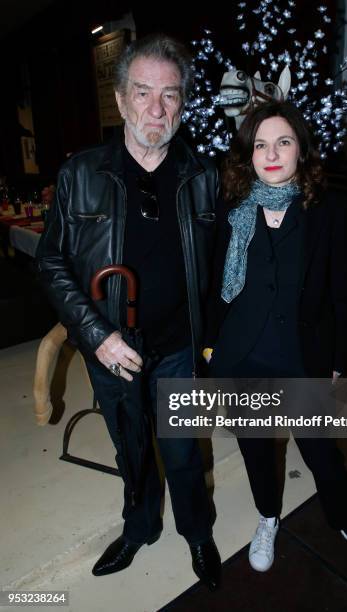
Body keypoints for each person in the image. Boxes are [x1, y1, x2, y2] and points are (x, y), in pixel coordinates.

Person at [37, 33, 221, 590]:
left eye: (170, 95)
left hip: (181, 346)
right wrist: (95, 335)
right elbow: (51, 263)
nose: (156, 109)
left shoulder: (204, 177)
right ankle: (139, 529)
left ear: (183, 105)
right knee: (132, 449)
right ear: (119, 101)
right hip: (112, 347)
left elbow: (224, 269)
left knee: (184, 451)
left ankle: (197, 532)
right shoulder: (80, 175)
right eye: (143, 93)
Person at [204, 100, 347, 576]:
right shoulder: (232, 206)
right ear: (248, 154)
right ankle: (268, 516)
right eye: (261, 144)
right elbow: (215, 284)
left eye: (283, 142)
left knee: (321, 452)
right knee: (256, 448)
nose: (272, 154)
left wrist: (336, 361)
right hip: (244, 356)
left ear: (301, 150)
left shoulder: (329, 211)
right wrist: (210, 348)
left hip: (301, 355)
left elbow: (341, 294)